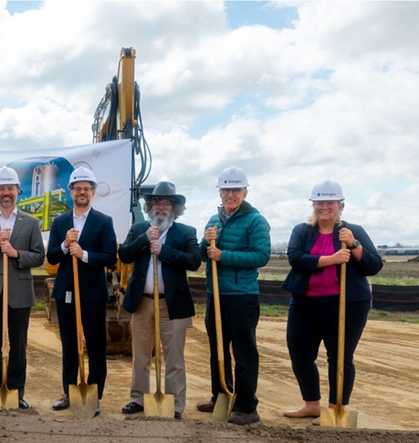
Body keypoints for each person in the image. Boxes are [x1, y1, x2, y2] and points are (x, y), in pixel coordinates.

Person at [281, 180, 383, 425]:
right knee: (300, 354)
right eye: (319, 202)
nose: (324, 207)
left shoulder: (354, 231)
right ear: (313, 205)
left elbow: (373, 266)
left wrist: (355, 246)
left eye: (330, 202)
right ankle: (312, 405)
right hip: (305, 303)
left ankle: (335, 408)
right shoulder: (302, 230)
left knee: (340, 357)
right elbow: (296, 259)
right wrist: (332, 258)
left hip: (346, 305)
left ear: (340, 205)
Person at [117, 181, 200, 420]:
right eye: (156, 202)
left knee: (174, 356)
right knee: (141, 355)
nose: (160, 207)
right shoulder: (139, 228)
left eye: (166, 203)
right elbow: (124, 254)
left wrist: (165, 252)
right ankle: (138, 398)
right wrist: (145, 239)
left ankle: (173, 403)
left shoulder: (186, 232)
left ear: (175, 208)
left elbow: (193, 261)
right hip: (142, 302)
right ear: (149, 206)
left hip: (172, 304)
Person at [198, 166, 271, 425]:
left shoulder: (256, 221)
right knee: (218, 349)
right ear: (219, 192)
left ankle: (246, 406)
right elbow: (201, 256)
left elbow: (261, 256)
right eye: (226, 190)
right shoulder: (213, 220)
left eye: (235, 190)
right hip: (215, 295)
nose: (230, 194)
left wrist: (223, 256)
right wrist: (205, 243)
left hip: (242, 296)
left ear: (245, 192)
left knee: (244, 352)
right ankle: (220, 396)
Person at [0, 166, 45, 409]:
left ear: (18, 191)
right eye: (1, 188)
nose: (6, 192)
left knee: (18, 345)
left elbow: (38, 256)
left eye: (10, 188)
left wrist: (15, 254)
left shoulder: (31, 222)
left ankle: (16, 390)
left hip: (19, 294)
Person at [46, 168, 116, 416]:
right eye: (77, 188)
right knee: (69, 345)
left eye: (86, 188)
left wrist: (83, 255)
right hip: (66, 292)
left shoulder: (103, 221)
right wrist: (65, 245)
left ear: (93, 192)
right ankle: (69, 390)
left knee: (95, 346)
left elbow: (110, 256)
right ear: (71, 192)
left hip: (93, 294)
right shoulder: (60, 222)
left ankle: (94, 396)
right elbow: (51, 257)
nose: (82, 192)